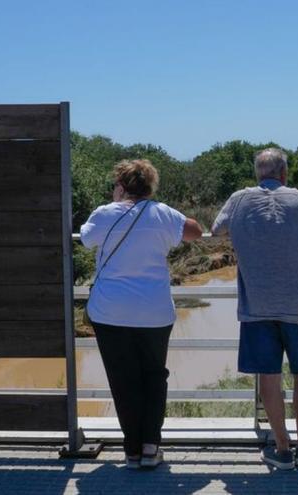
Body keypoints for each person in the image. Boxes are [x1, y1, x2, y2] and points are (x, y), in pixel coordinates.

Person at [212, 148, 298, 470]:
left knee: (268, 377)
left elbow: (216, 230)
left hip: (257, 306)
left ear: (258, 173)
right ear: (284, 173)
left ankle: (281, 449)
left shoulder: (239, 199)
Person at [81, 159, 203, 469]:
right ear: (150, 187)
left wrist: (114, 204)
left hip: (110, 313)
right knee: (153, 377)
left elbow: (85, 238)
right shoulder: (161, 213)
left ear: (120, 186)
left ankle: (132, 450)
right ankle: (151, 447)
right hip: (154, 314)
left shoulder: (105, 213)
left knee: (123, 381)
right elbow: (195, 231)